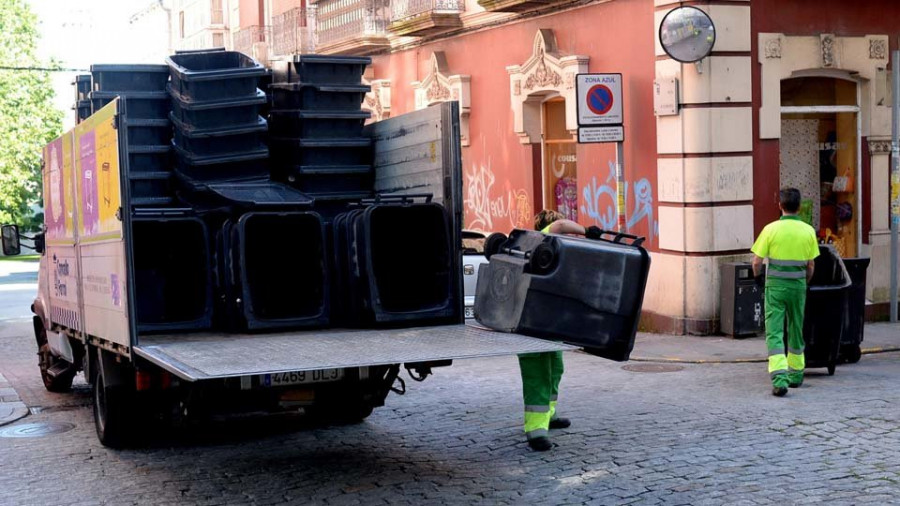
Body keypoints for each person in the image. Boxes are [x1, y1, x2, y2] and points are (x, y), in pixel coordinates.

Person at [518, 210, 601, 451]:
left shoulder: (555, 250)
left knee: (555, 368)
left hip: (548, 323)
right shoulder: (542, 237)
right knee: (538, 376)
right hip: (531, 325)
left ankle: (549, 416)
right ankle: (536, 432)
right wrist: (588, 231)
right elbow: (562, 224)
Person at [750, 188, 820, 397]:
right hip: (798, 288)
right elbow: (810, 266)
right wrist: (804, 282)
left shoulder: (770, 229)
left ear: (780, 206)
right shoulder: (808, 231)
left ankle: (780, 379)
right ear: (799, 207)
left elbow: (756, 261)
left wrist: (758, 278)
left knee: (775, 332)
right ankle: (796, 374)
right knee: (796, 328)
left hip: (775, 288)